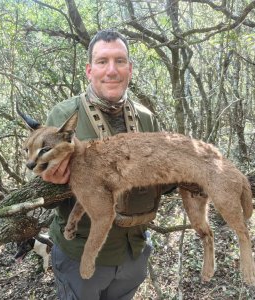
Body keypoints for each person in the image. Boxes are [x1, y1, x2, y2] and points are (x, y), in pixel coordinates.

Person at [41, 29, 168, 300]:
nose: (112, 70)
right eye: (102, 61)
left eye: (120, 61)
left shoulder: (146, 118)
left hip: (134, 250)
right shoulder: (64, 116)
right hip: (81, 256)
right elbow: (42, 187)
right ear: (89, 70)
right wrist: (49, 177)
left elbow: (162, 182)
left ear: (130, 69)